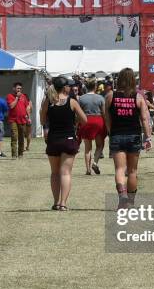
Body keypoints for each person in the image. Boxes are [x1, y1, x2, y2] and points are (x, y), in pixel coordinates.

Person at [105, 68, 152, 209]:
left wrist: (110, 131)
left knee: (119, 169)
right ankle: (130, 202)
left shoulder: (110, 95)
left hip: (116, 135)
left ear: (119, 80)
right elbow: (144, 119)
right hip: (134, 135)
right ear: (133, 80)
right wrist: (148, 137)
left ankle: (122, 196)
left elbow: (106, 116)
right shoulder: (138, 97)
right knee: (132, 171)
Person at [40, 76, 87, 210]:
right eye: (69, 86)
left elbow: (43, 121)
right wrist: (74, 119)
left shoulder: (48, 101)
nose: (71, 87)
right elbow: (85, 120)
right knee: (65, 173)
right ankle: (63, 203)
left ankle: (55, 202)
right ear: (65, 87)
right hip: (68, 139)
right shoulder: (72, 102)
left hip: (53, 139)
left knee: (55, 173)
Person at [78, 77, 106, 175]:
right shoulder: (100, 98)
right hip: (98, 121)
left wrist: (77, 124)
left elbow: (78, 113)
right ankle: (95, 162)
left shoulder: (81, 98)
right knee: (99, 145)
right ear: (95, 87)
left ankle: (88, 169)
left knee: (87, 148)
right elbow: (104, 113)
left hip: (86, 121)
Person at [6, 82, 30, 158]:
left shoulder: (24, 96)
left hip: (23, 120)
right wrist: (17, 98)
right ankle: (14, 155)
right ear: (14, 88)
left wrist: (29, 117)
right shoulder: (9, 96)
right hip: (13, 120)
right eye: (17, 88)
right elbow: (11, 106)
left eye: (20, 88)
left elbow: (27, 107)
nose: (19, 90)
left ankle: (20, 154)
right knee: (14, 137)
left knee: (21, 138)